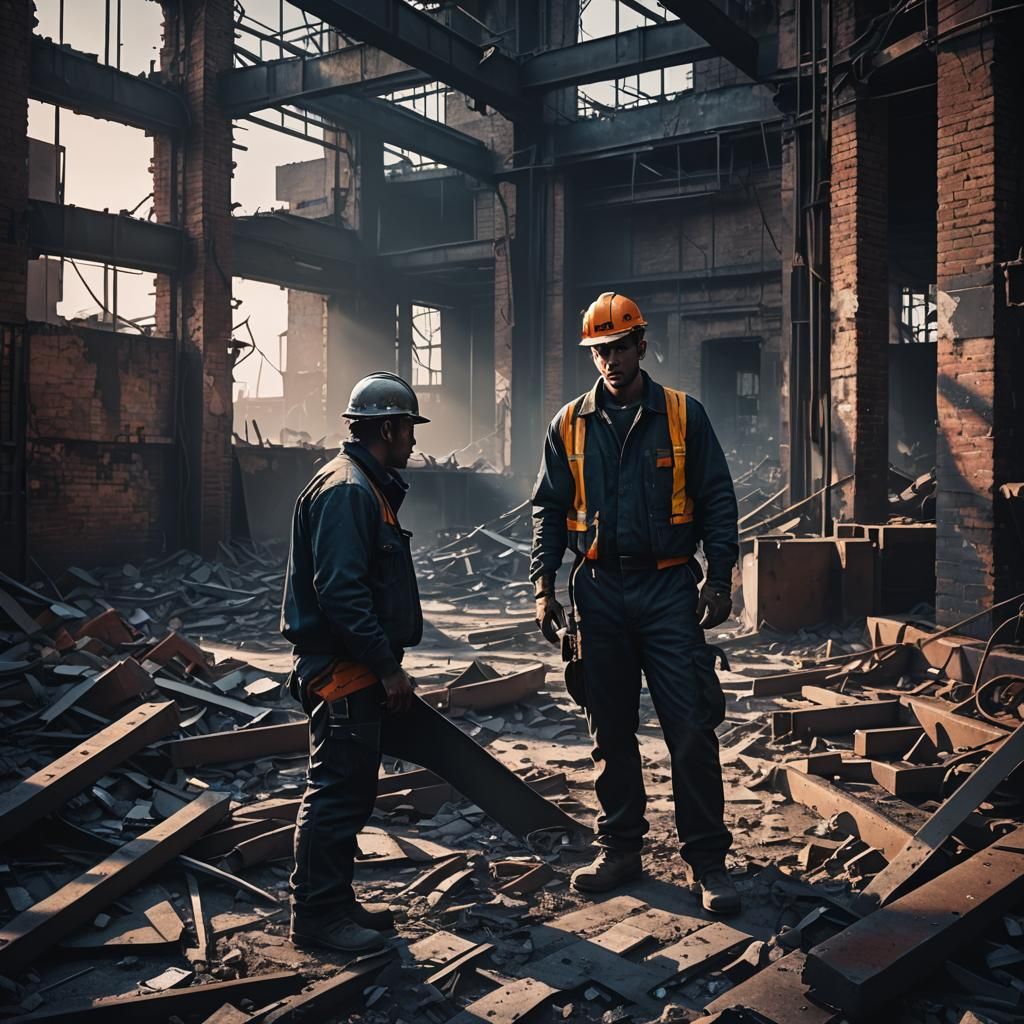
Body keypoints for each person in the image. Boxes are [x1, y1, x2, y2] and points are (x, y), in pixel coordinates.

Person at [530, 293, 741, 914]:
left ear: (642, 345)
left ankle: (708, 862)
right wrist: (543, 585)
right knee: (610, 731)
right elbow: (547, 510)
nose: (610, 361)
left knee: (691, 731)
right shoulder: (570, 423)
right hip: (598, 592)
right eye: (599, 351)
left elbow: (717, 500)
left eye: (620, 347)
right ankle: (621, 849)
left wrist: (720, 579)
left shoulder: (682, 416)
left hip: (668, 590)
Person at [280, 371, 428, 954]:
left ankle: (336, 903)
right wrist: (386, 666)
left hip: (354, 667)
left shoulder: (364, 484)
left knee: (351, 788)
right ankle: (315, 917)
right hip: (342, 672)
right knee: (337, 791)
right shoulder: (348, 490)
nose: (413, 441)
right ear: (387, 428)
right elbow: (341, 593)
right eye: (408, 429)